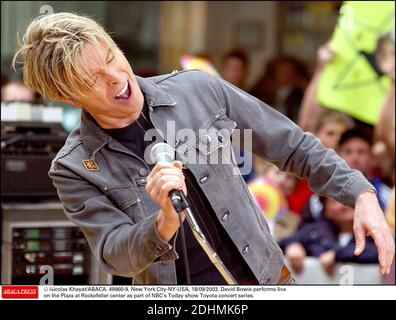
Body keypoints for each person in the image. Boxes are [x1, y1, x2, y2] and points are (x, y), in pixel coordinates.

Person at [13, 12, 394, 284]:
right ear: (67, 96)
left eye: (112, 57)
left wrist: (359, 193)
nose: (117, 78)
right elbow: (114, 253)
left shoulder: (199, 88)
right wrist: (162, 223)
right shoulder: (75, 166)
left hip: (268, 281)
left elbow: (292, 145)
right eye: (94, 79)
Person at [279, 197, 379, 276]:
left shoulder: (375, 231)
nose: (345, 205)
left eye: (350, 198)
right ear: (326, 210)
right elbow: (284, 242)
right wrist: (292, 245)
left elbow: (379, 252)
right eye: (336, 201)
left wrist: (337, 255)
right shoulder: (317, 230)